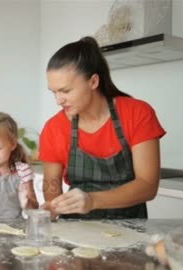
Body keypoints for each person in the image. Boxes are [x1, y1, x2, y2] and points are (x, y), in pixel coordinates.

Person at [39, 36, 166, 219]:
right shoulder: (54, 127)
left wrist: (92, 200)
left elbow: (147, 185)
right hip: (76, 230)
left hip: (131, 229)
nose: (58, 100)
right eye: (54, 92)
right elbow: (52, 184)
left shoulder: (137, 113)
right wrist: (54, 205)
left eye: (65, 91)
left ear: (93, 82)